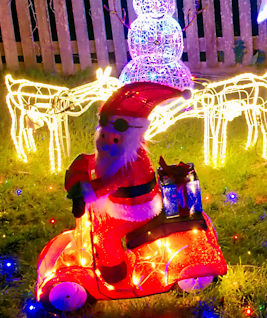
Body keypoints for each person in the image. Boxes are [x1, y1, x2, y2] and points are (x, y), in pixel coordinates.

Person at [63, 82, 187, 284]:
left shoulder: (131, 162)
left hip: (136, 210)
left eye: (112, 140)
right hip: (121, 205)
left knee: (105, 234)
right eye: (103, 136)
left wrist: (85, 192)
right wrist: (83, 163)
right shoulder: (121, 152)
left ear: (127, 138)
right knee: (97, 219)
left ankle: (115, 272)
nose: (105, 143)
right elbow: (99, 159)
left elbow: (111, 183)